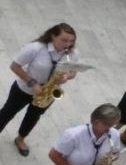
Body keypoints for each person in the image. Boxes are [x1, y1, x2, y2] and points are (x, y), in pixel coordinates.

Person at [0, 23, 78, 156]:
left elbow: (73, 72)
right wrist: (33, 83)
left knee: (33, 117)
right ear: (53, 36)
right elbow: (15, 66)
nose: (68, 44)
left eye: (71, 41)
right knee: (8, 112)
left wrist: (66, 76)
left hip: (48, 92)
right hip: (24, 89)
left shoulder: (72, 53)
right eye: (64, 40)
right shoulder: (36, 48)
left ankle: (20, 139)